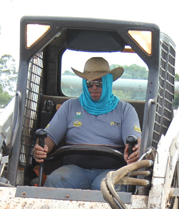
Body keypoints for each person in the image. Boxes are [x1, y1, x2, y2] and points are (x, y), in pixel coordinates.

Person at [33, 57, 142, 190]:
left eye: (99, 83)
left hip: (110, 170)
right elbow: (48, 137)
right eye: (90, 84)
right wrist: (41, 148)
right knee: (55, 180)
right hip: (75, 169)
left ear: (108, 82)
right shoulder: (69, 107)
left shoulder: (125, 110)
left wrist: (136, 150)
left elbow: (135, 141)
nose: (94, 88)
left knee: (109, 188)